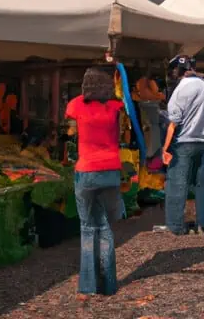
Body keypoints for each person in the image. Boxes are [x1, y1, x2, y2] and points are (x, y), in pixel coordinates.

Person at [65, 67, 125, 300]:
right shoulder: (116, 107)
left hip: (87, 170)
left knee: (88, 227)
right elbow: (119, 135)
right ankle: (109, 285)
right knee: (105, 227)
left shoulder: (76, 104)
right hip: (111, 170)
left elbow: (70, 132)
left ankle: (89, 285)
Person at [156, 55, 204, 235]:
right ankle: (202, 224)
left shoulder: (181, 90)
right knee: (201, 184)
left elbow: (173, 123)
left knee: (176, 183)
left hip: (184, 142)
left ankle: (175, 226)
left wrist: (165, 148)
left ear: (176, 71)